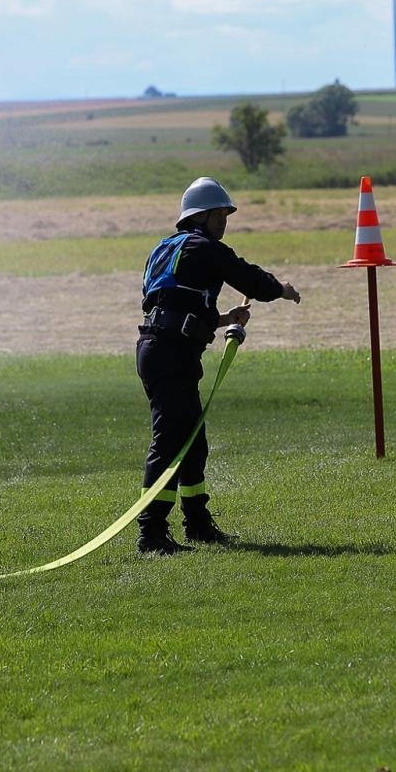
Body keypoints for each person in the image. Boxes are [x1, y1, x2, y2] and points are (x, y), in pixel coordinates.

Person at [135, 177, 301, 555]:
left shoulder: (165, 249)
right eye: (220, 215)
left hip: (159, 347)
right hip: (170, 352)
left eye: (227, 215)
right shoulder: (204, 248)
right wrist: (281, 288)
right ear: (201, 216)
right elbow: (249, 278)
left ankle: (197, 525)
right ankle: (152, 534)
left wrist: (223, 318)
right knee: (171, 441)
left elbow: (174, 304)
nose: (224, 221)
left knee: (193, 441)